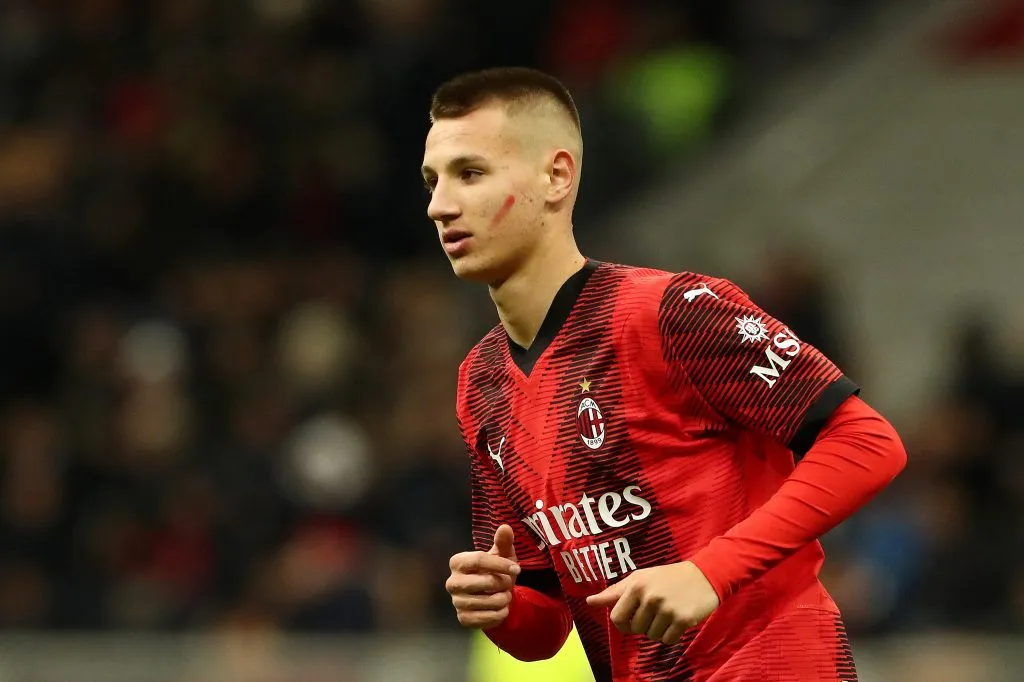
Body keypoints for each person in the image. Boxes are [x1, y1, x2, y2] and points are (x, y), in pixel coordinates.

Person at [422, 66, 906, 682]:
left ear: (556, 176)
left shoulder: (669, 312)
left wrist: (709, 571)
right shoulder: (481, 382)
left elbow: (869, 443)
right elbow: (545, 629)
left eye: (471, 173)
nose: (440, 205)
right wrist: (501, 607)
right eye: (432, 181)